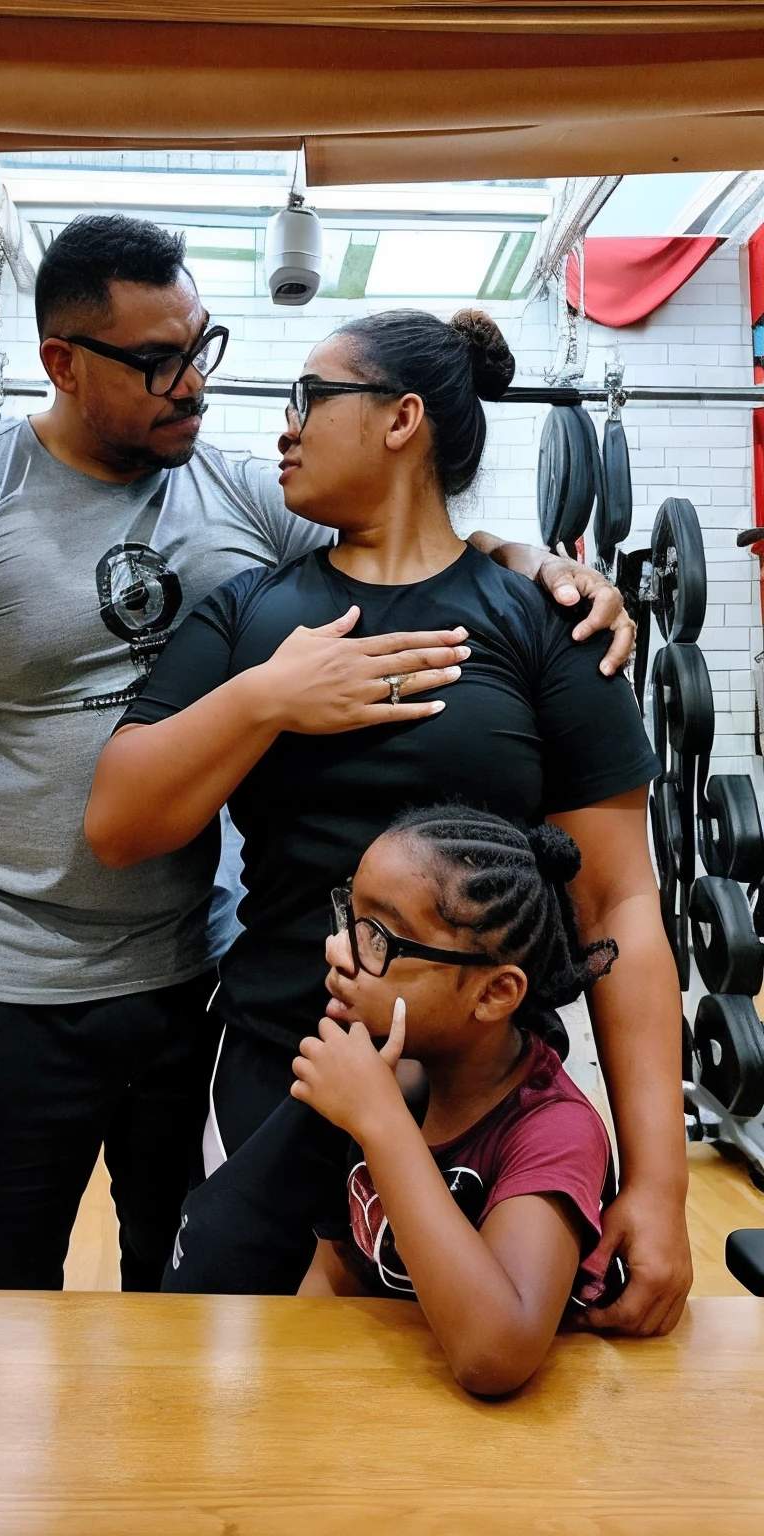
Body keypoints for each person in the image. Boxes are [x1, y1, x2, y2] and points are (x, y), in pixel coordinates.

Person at [0, 214, 629, 1292]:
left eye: (200, 345)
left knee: (182, 1315)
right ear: (60, 362)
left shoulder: (240, 495)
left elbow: (400, 544)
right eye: (157, 362)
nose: (192, 383)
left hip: (191, 990)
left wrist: (527, 560)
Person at [87, 306, 692, 1334]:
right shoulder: (247, 612)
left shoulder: (543, 619)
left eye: (310, 400)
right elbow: (117, 822)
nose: (285, 426)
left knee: (476, 1400)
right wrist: (269, 698)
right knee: (251, 1390)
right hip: (287, 1066)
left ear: (401, 418)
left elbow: (619, 907)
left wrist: (660, 1181)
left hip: (489, 1092)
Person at [293, 808, 619, 1396]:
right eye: (350, 916)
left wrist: (381, 1123)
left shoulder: (555, 1131)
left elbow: (496, 1355)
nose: (338, 949)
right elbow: (338, 1268)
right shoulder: (391, 1076)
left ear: (495, 992)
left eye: (378, 938)